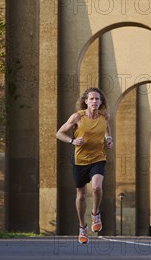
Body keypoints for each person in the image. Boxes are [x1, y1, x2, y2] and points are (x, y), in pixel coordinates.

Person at [56, 87, 114, 244]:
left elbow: (107, 130)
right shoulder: (77, 117)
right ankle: (82, 227)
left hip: (98, 158)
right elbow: (59, 133)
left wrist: (108, 139)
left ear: (101, 102)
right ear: (85, 101)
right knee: (81, 195)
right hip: (80, 160)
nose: (94, 101)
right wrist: (72, 141)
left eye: (97, 99)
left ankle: (95, 214)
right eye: (92, 99)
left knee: (96, 188)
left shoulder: (104, 117)